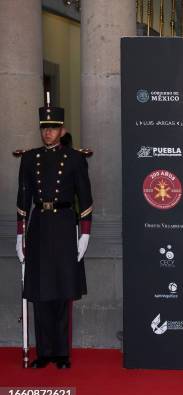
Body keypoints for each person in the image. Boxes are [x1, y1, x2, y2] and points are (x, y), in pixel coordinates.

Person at [16, 102, 93, 369]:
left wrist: (84, 235)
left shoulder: (74, 159)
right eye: (44, 128)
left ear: (62, 130)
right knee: (39, 291)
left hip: (62, 225)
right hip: (39, 226)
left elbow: (84, 199)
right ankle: (44, 352)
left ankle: (61, 353)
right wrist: (19, 235)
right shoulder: (29, 158)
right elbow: (23, 198)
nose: (48, 133)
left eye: (53, 128)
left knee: (61, 291)